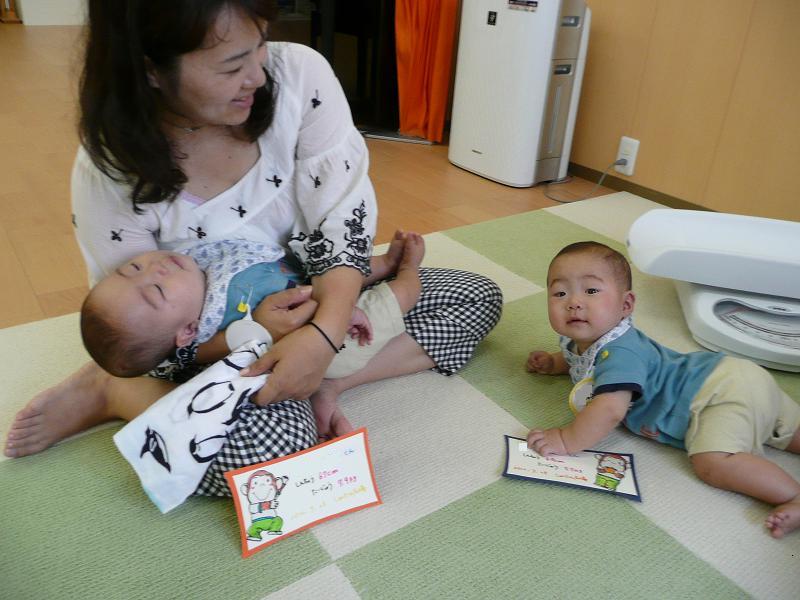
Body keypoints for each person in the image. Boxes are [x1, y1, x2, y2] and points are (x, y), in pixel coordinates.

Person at [3, 0, 503, 500]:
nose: (258, 77)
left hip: (323, 294)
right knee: (271, 455)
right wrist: (259, 335)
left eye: (260, 44)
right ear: (151, 70)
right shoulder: (111, 167)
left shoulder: (300, 77)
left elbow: (341, 226)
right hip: (215, 349)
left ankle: (326, 382)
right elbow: (143, 326)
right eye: (231, 65)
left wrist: (323, 339)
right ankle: (115, 389)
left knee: (475, 296)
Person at [525, 241, 800, 538]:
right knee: (785, 428)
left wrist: (567, 440)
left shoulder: (620, 352)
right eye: (560, 293)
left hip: (713, 396)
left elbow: (609, 409)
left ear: (626, 305)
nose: (574, 302)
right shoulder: (578, 339)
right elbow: (580, 362)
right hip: (731, 375)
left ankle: (792, 497)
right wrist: (554, 364)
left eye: (591, 291)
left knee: (712, 463)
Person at [80, 231, 426, 436]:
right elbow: (302, 317)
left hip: (322, 293)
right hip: (334, 337)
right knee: (404, 295)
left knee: (474, 296)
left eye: (134, 267)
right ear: (187, 330)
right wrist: (341, 313)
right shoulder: (226, 319)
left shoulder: (204, 270)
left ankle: (382, 265)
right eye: (157, 290)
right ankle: (407, 269)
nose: (155, 268)